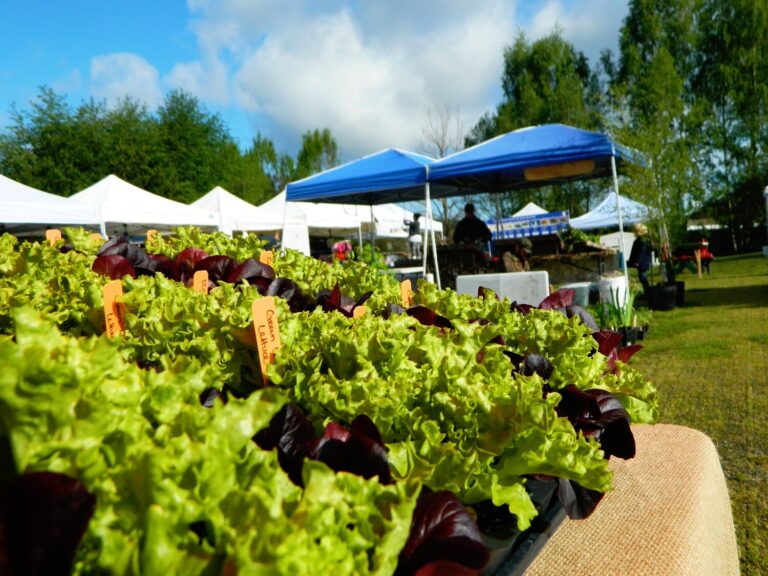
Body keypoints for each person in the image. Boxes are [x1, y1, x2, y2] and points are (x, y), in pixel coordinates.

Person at [627, 223, 653, 295]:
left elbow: (642, 251)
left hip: (642, 262)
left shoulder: (643, 240)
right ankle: (647, 291)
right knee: (642, 277)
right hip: (642, 261)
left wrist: (637, 261)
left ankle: (648, 292)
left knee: (642, 277)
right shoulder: (641, 239)